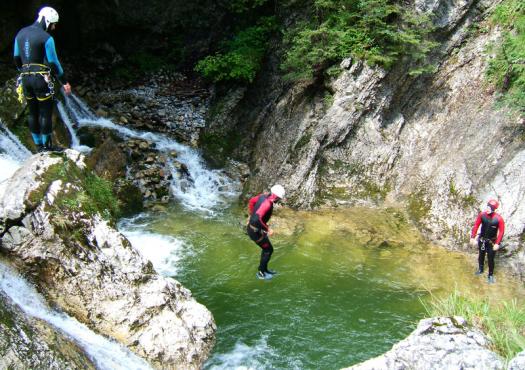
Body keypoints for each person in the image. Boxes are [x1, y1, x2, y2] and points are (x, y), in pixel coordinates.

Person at [13, 6, 72, 152]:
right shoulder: (46, 38)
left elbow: (16, 58)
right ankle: (47, 146)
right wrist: (64, 81)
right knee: (45, 112)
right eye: (52, 24)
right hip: (40, 79)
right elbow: (53, 62)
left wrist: (24, 72)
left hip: (25, 79)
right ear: (46, 20)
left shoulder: (20, 33)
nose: (53, 27)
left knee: (32, 111)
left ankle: (38, 146)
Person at [247, 184, 285, 280]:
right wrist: (268, 229)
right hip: (255, 232)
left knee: (267, 249)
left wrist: (251, 215)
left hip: (256, 229)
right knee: (268, 250)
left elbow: (251, 201)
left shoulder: (262, 196)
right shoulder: (268, 204)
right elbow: (257, 218)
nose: (279, 200)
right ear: (276, 197)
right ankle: (261, 273)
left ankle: (264, 269)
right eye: (279, 198)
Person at [470, 199, 505, 284]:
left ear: (494, 209)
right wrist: (472, 237)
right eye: (487, 206)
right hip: (482, 239)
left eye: (490, 207)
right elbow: (476, 225)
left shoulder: (498, 219)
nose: (488, 209)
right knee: (481, 255)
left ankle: (490, 275)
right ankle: (481, 269)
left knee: (490, 258)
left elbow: (501, 232)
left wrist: (497, 243)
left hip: (491, 242)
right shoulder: (482, 215)